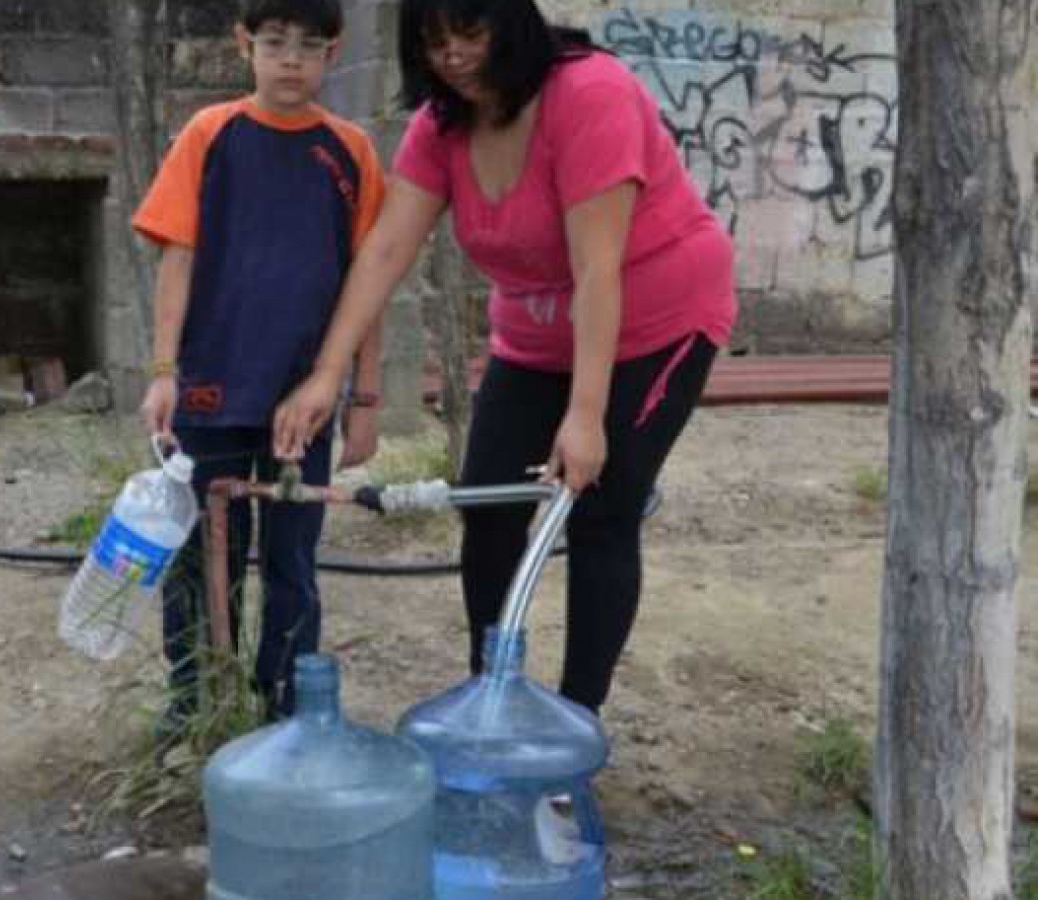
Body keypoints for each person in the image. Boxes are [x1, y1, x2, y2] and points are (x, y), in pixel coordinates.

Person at [273, 0, 737, 715]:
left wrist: (585, 418)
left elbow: (597, 269)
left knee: (599, 509)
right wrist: (328, 373)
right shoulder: (441, 126)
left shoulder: (590, 95)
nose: (452, 55)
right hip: (535, 331)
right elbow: (387, 250)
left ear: (512, 22)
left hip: (654, 321)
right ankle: (491, 699)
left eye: (470, 32)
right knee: (488, 507)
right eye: (433, 41)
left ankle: (575, 728)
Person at [133, 0, 388, 727]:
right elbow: (176, 260)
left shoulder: (350, 152)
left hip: (300, 402)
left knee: (292, 563)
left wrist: (363, 399)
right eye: (275, 43)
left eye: (309, 46)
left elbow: (368, 285)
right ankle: (195, 705)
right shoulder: (211, 136)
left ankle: (287, 712)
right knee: (198, 560)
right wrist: (163, 371)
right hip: (210, 389)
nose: (290, 60)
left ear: (333, 54)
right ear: (246, 43)